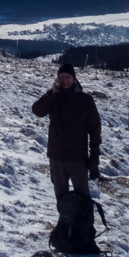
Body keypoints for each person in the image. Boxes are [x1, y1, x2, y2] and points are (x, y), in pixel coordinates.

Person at [31, 61, 102, 200]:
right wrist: (51, 92)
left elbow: (94, 129)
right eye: (61, 76)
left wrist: (94, 155)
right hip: (56, 157)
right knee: (60, 195)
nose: (65, 80)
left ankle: (83, 222)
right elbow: (37, 111)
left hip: (77, 158)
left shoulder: (85, 100)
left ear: (74, 78)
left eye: (68, 76)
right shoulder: (54, 97)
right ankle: (64, 221)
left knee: (83, 196)